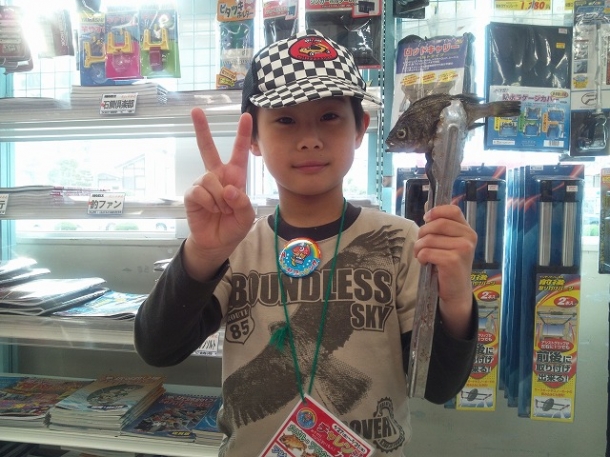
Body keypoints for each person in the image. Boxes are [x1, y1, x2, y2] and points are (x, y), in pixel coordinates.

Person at [134, 29, 478, 457]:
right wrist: (203, 253)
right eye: (285, 120)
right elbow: (158, 348)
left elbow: (438, 385)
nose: (310, 138)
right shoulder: (234, 246)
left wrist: (456, 295)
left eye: (330, 116)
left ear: (360, 128)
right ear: (254, 139)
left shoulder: (401, 240)